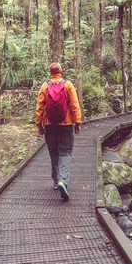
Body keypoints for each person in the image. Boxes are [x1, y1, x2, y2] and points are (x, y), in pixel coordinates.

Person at [35, 62, 82, 200]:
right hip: (66, 124)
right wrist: (77, 122)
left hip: (50, 125)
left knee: (54, 152)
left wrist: (39, 125)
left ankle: (56, 181)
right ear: (60, 71)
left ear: (50, 72)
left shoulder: (45, 86)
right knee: (65, 152)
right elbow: (74, 105)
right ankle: (63, 180)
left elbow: (40, 107)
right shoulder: (68, 84)